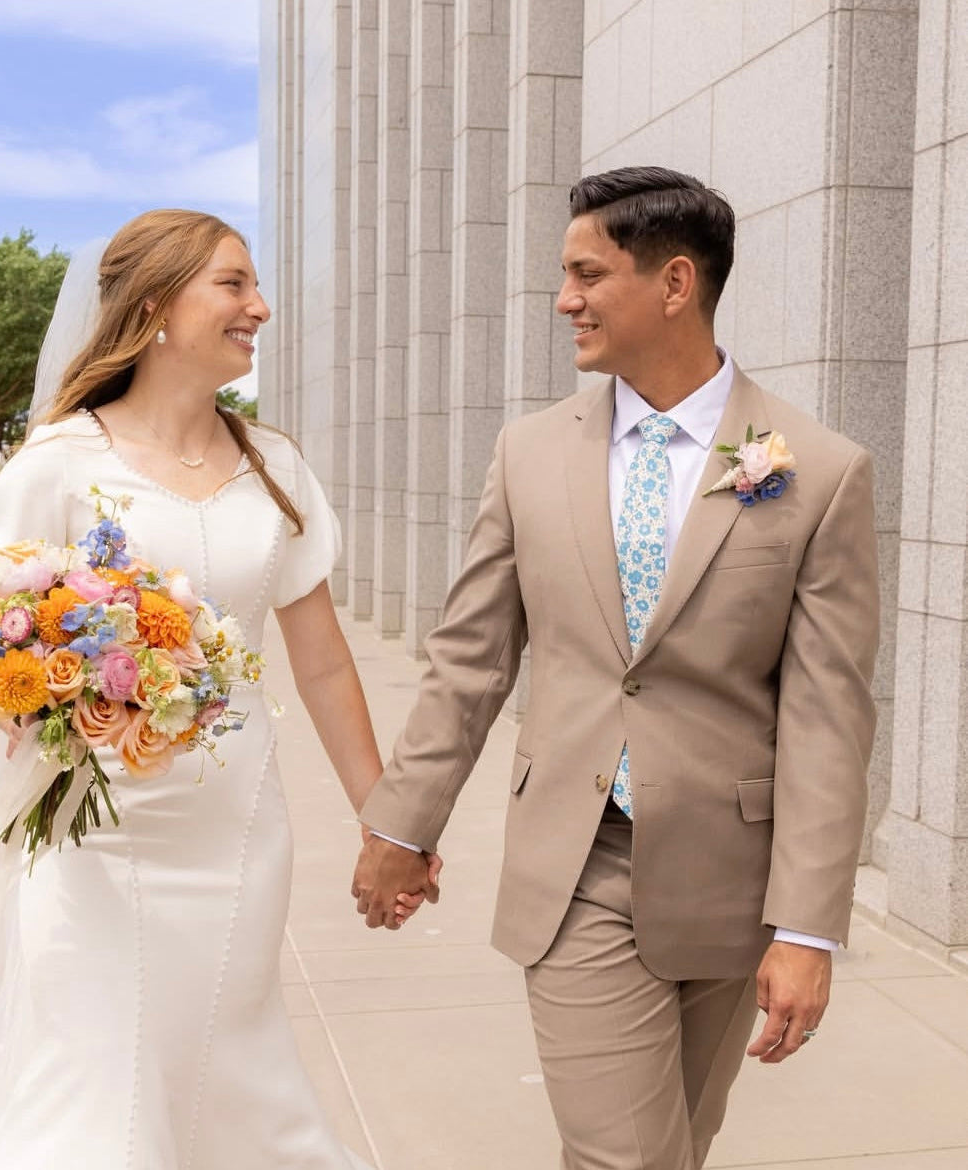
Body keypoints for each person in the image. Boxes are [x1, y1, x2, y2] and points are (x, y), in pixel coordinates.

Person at [351, 166, 878, 1169]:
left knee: (676, 1144)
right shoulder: (530, 454)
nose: (565, 300)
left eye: (588, 274)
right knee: (625, 1159)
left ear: (675, 284)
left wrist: (809, 928)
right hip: (579, 862)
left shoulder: (814, 465)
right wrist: (399, 822)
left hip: (734, 883)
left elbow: (828, 716)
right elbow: (470, 658)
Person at [0, 209, 436, 1169]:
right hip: (90, 832)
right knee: (91, 1088)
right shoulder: (62, 462)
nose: (260, 307)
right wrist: (58, 701)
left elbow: (320, 662)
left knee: (221, 1077)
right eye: (233, 285)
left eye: (255, 286)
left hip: (235, 828)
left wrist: (386, 821)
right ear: (155, 308)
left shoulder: (276, 468)